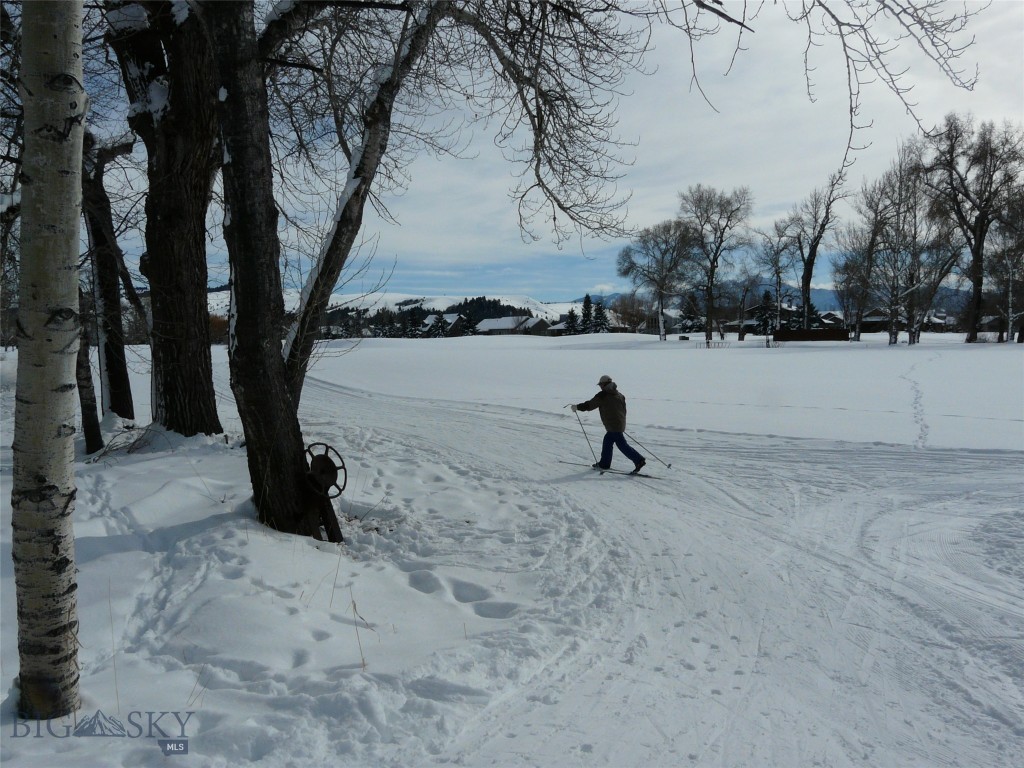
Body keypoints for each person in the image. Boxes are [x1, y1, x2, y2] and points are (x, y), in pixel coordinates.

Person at [572, 374, 646, 472]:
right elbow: (624, 410)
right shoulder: (620, 395)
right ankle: (604, 464)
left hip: (613, 425)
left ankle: (639, 460)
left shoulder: (603, 395)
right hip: (619, 423)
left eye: (600, 385)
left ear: (604, 384)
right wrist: (620, 422)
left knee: (622, 445)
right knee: (608, 441)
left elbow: (590, 405)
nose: (600, 387)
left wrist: (577, 407)